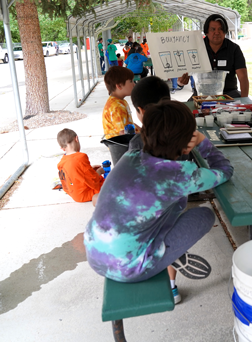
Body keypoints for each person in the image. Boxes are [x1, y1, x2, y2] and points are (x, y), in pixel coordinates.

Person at [84, 100, 234, 305]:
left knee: (161, 207)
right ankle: (166, 252)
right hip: (129, 268)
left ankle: (162, 245)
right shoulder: (179, 175)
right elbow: (225, 171)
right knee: (205, 215)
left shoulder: (131, 156)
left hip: (95, 253)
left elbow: (139, 141)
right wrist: (202, 141)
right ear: (184, 145)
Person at [178, 14, 249, 98]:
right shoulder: (195, 49)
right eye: (213, 29)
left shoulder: (234, 49)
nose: (217, 32)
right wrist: (181, 82)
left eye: (220, 29)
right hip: (201, 95)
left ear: (225, 31)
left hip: (229, 94)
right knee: (185, 110)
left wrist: (245, 100)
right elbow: (181, 80)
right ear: (206, 32)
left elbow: (243, 77)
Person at [57, 128, 104, 206]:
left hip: (74, 194)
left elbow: (76, 175)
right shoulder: (81, 157)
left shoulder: (62, 161)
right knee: (111, 183)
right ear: (76, 139)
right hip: (85, 194)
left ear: (62, 148)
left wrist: (91, 169)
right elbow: (93, 180)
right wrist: (99, 172)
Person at [102, 66, 138, 140]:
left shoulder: (119, 101)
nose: (134, 84)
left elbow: (128, 124)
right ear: (119, 86)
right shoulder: (117, 107)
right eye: (131, 81)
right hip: (121, 146)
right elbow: (124, 133)